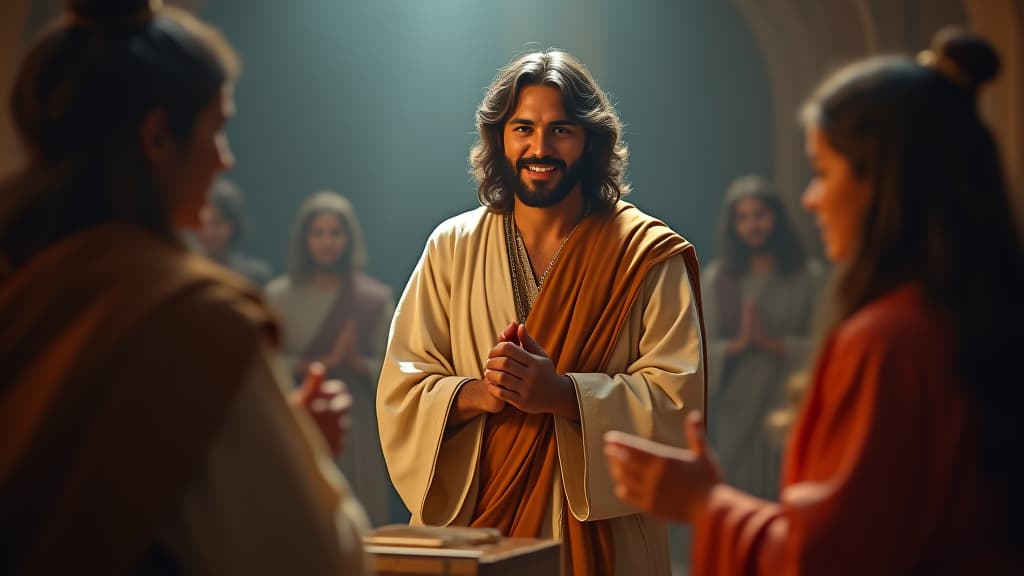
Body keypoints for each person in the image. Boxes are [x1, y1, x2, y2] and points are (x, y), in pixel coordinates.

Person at [604, 28, 1024, 574]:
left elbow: (829, 557)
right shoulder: (973, 314)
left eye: (823, 173)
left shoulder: (889, 340)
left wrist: (703, 505)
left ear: (886, 182)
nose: (811, 198)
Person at [0, 1, 369, 574]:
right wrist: (294, 449)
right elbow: (318, 557)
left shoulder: (27, 278)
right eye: (217, 129)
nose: (225, 159)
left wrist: (250, 429)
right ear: (158, 138)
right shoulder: (195, 318)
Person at [377, 49, 706, 575]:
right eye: (523, 128)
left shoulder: (643, 253)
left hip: (608, 538)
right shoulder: (451, 247)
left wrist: (564, 394)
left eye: (561, 131)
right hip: (479, 532)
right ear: (499, 139)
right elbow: (402, 388)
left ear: (590, 141)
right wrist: (479, 393)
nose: (539, 147)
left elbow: (678, 404)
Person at [267, 190, 394, 526]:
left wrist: (356, 363)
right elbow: (262, 364)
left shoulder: (372, 299)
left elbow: (398, 369)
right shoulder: (278, 296)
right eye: (318, 233)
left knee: (362, 512)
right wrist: (309, 365)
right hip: (299, 412)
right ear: (304, 239)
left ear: (349, 238)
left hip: (357, 419)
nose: (327, 241)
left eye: (335, 232)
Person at [703, 175, 824, 499]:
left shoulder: (808, 278)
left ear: (777, 218)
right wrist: (737, 346)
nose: (753, 225)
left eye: (760, 214)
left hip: (788, 414)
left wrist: (775, 345)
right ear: (732, 226)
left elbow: (827, 350)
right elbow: (696, 356)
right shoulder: (718, 281)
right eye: (743, 218)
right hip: (735, 419)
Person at [196, 178, 273, 286]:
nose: (208, 232)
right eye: (202, 223)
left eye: (217, 222)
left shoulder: (254, 276)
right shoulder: (184, 274)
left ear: (234, 225)